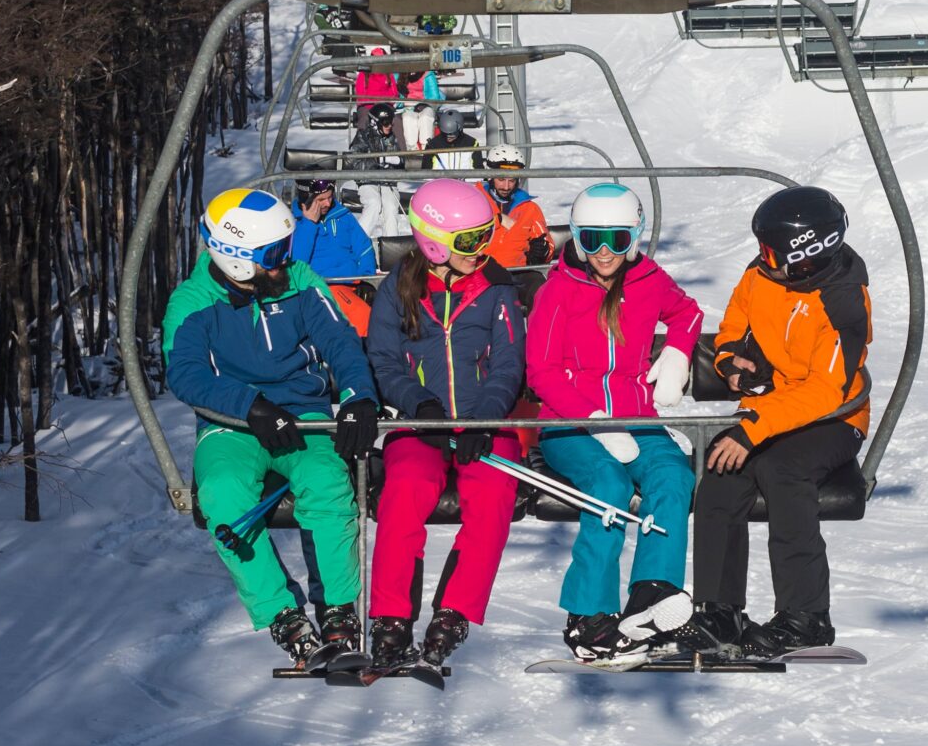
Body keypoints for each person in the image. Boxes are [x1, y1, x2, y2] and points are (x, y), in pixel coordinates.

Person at [163, 188, 381, 670]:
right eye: (274, 255)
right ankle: (283, 615)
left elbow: (340, 342)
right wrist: (250, 405)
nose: (286, 260)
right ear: (238, 260)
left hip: (303, 419)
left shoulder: (300, 282)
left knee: (327, 485)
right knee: (222, 494)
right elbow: (186, 373)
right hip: (233, 425)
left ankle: (339, 611)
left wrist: (357, 397)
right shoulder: (194, 302)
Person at [658, 186, 870, 661]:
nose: (761, 257)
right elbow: (735, 321)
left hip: (833, 419)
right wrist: (733, 358)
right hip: (772, 409)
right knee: (720, 470)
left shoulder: (842, 303)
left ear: (806, 254)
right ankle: (720, 609)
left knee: (782, 470)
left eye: (771, 250)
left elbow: (825, 390)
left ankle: (806, 616)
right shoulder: (762, 274)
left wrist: (753, 428)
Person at [526, 184, 703, 660]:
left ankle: (652, 594)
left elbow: (687, 313)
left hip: (636, 415)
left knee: (672, 474)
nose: (605, 252)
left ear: (635, 238)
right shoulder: (557, 291)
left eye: (618, 240)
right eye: (593, 239)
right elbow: (540, 371)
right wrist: (594, 421)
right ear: (579, 239)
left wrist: (676, 355)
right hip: (569, 423)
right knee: (607, 484)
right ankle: (589, 616)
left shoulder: (649, 280)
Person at [360, 179, 528, 674]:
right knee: (404, 490)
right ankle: (391, 619)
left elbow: (508, 362)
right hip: (420, 424)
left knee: (495, 494)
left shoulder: (497, 287)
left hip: (483, 422)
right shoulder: (398, 289)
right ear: (435, 242)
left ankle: (453, 613)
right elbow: (384, 361)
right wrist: (419, 405)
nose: (483, 251)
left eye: (485, 237)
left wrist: (485, 416)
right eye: (472, 241)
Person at [292, 178, 379, 283]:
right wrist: (308, 225)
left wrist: (367, 279)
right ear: (307, 200)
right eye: (321, 200)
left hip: (351, 284)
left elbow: (364, 248)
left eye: (330, 197)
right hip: (318, 288)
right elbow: (296, 267)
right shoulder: (293, 225)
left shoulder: (342, 215)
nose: (328, 204)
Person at [482, 146, 552, 269]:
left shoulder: (529, 208)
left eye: (512, 180)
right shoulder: (476, 200)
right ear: (490, 176)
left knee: (537, 282)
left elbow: (547, 242)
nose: (506, 187)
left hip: (518, 271)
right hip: (482, 270)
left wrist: (542, 252)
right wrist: (497, 219)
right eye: (501, 179)